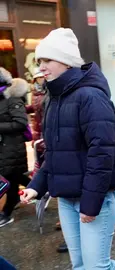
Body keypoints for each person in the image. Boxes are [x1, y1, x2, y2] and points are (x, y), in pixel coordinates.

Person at [20, 28, 115, 269]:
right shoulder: (53, 98)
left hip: (95, 199)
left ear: (67, 62)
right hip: (67, 200)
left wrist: (90, 204)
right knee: (80, 265)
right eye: (39, 61)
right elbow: (58, 154)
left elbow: (102, 155)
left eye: (47, 60)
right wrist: (36, 187)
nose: (42, 66)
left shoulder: (90, 96)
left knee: (96, 267)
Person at [0, 68, 31, 227]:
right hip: (3, 147)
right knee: (15, 176)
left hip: (12, 147)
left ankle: (6, 213)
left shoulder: (12, 98)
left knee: (10, 177)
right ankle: (42, 190)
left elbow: (21, 123)